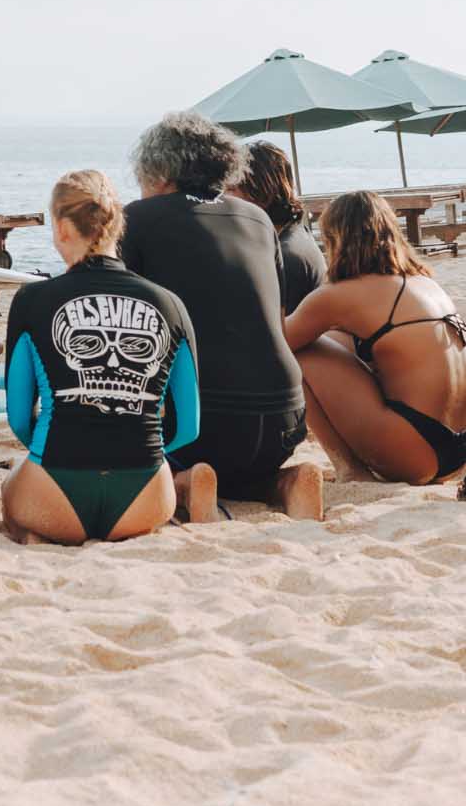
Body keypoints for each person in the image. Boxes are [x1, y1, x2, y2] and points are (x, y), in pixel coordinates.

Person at [122, 112, 322, 520]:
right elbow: (277, 317)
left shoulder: (137, 219)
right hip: (283, 422)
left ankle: (183, 482)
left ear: (159, 173)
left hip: (199, 427)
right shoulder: (259, 219)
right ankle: (281, 481)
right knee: (244, 472)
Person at [2, 170, 207, 542]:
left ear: (62, 227)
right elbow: (188, 426)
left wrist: (57, 450)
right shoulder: (169, 303)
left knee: (10, 488)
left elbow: (18, 418)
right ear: (118, 225)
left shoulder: (33, 299)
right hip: (144, 492)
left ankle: (44, 535)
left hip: (53, 486)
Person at [285, 191, 466, 484]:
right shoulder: (425, 283)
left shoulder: (339, 295)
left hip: (414, 454)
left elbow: (277, 342)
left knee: (303, 352)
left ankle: (349, 469)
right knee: (336, 338)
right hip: (457, 455)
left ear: (336, 239)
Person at [228, 140, 327, 313]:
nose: (223, 197)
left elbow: (277, 325)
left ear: (260, 191)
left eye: (231, 189)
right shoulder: (294, 234)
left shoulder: (287, 258)